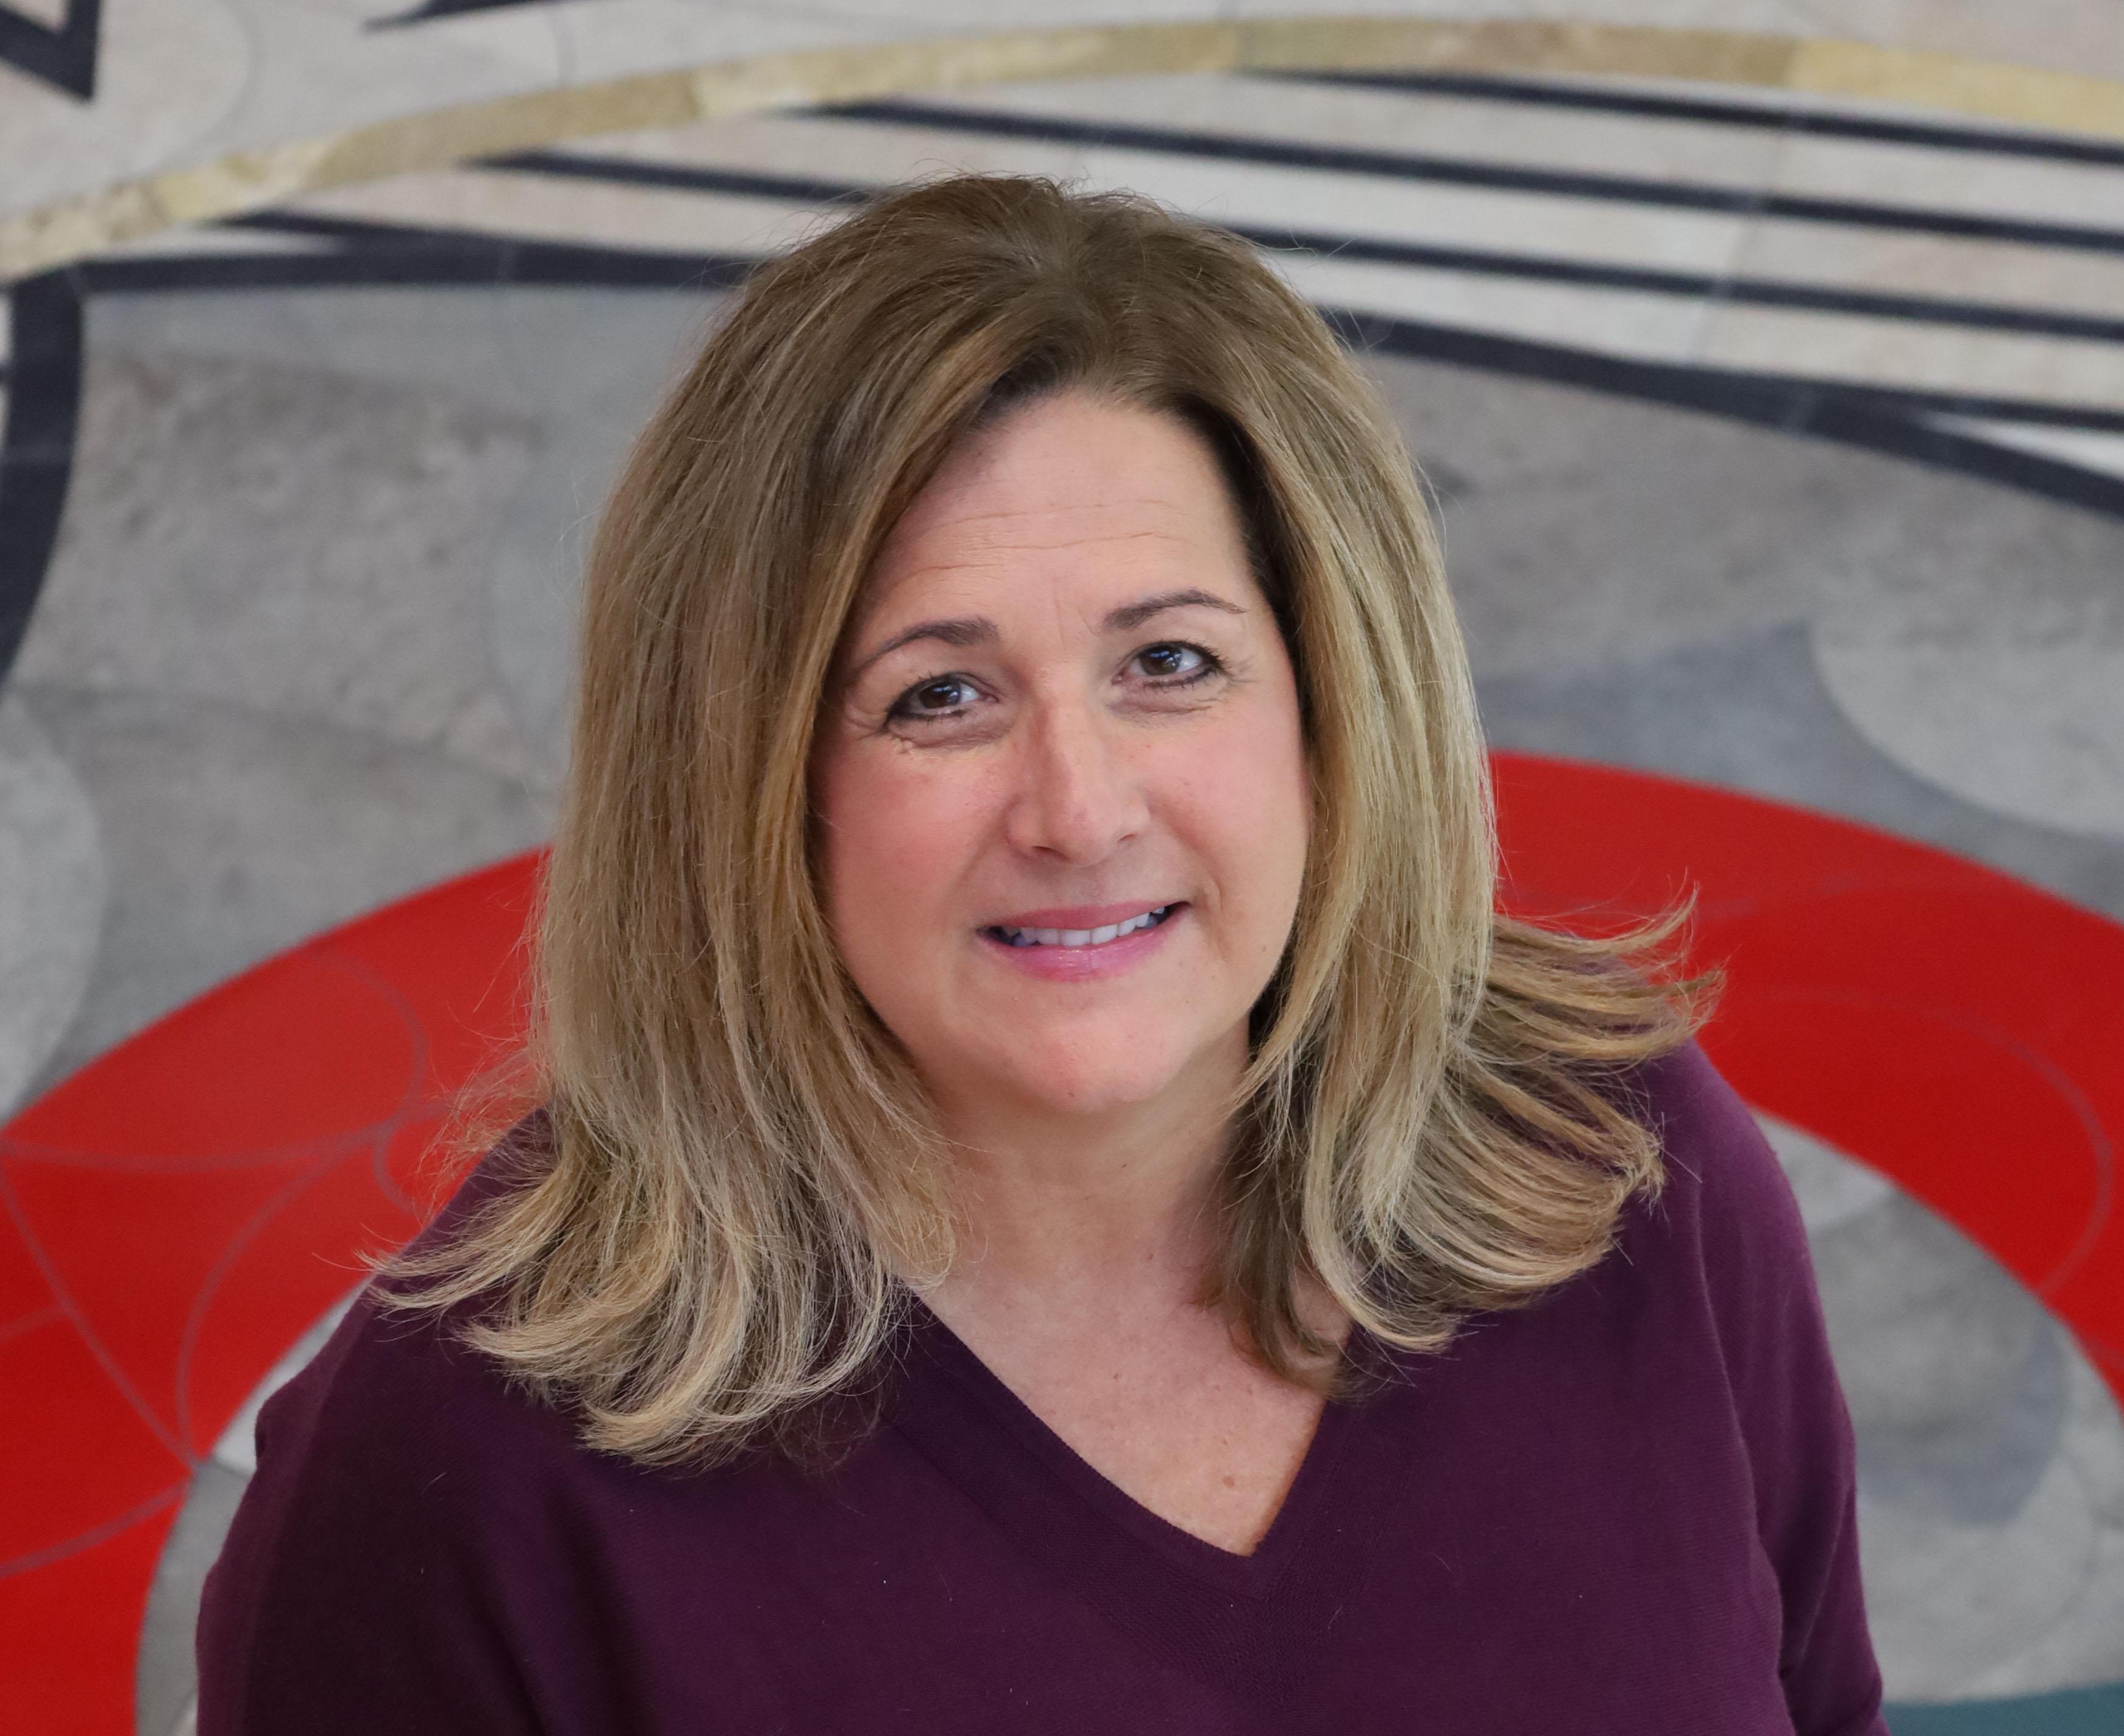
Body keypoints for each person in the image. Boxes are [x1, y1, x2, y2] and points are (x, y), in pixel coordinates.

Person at [196, 174, 1886, 1733]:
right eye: (941, 694)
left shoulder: (1621, 1169)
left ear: (1329, 714)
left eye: (1170, 662)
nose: (1078, 808)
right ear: (752, 789)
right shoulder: (459, 1464)